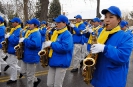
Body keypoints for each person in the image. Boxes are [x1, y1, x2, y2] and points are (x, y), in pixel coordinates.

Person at [90, 6, 133, 87]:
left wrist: (105, 48)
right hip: (98, 78)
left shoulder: (126, 36)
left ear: (119, 20)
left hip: (113, 81)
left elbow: (123, 57)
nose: (107, 19)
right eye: (105, 17)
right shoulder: (102, 33)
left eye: (111, 17)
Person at [42, 15, 73, 87]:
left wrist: (52, 44)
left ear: (65, 23)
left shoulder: (67, 34)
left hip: (61, 62)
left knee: (57, 85)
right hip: (53, 60)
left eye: (58, 22)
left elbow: (65, 48)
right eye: (56, 22)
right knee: (49, 84)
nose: (56, 24)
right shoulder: (55, 33)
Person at [18, 18, 42, 87]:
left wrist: (24, 40)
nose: (28, 25)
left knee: (29, 76)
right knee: (22, 71)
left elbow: (34, 44)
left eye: (30, 24)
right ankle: (35, 79)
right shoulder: (29, 32)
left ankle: (31, 83)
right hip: (26, 55)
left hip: (32, 56)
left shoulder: (36, 33)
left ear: (35, 25)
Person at [5, 17, 22, 84]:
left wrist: (9, 36)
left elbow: (15, 41)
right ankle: (21, 71)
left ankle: (13, 79)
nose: (12, 23)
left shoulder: (19, 30)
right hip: (10, 49)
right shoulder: (14, 29)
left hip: (15, 50)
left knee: (13, 65)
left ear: (17, 23)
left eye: (13, 22)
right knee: (10, 63)